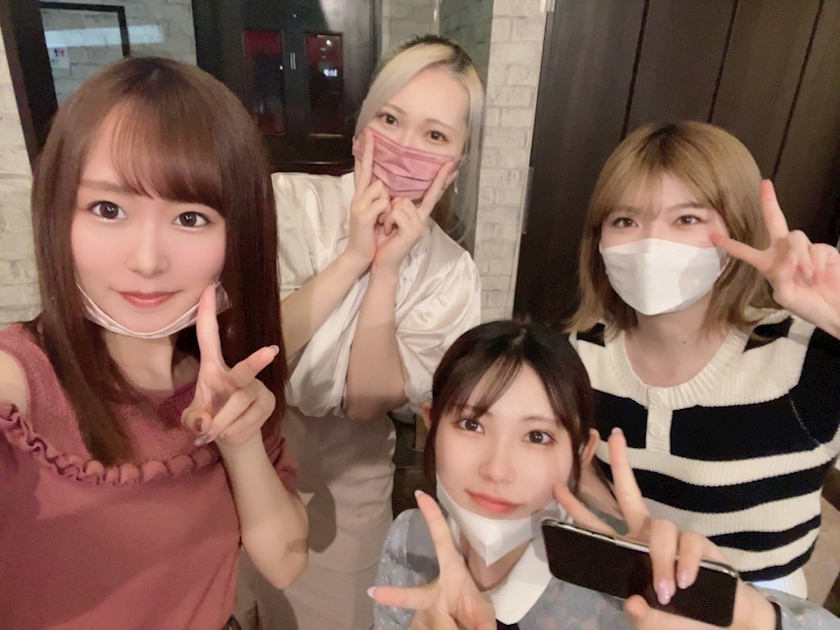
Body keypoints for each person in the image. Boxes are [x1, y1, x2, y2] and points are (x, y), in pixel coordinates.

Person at [0, 57, 308, 629]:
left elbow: (286, 563)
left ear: (236, 237)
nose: (147, 260)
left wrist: (241, 443)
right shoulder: (22, 379)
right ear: (59, 216)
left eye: (190, 218)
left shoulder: (223, 380)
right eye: (108, 209)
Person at [238, 34, 484, 630]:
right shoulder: (285, 202)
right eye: (390, 120)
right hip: (241, 448)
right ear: (359, 133)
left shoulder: (451, 272)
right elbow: (250, 350)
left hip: (347, 474)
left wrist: (385, 270)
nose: (405, 146)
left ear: (455, 165)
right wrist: (351, 257)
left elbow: (367, 402)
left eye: (435, 135)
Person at [369, 321, 838, 629]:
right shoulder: (410, 539)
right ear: (431, 424)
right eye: (472, 425)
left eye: (537, 436)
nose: (496, 468)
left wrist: (752, 619)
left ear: (581, 452)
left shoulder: (622, 582)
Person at [566, 121, 840, 597]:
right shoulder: (582, 351)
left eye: (687, 219)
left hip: (760, 612)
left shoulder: (805, 355)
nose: (650, 244)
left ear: (740, 230)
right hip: (628, 589)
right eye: (625, 221)